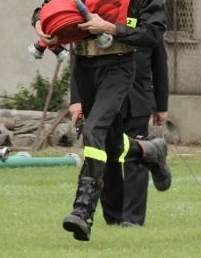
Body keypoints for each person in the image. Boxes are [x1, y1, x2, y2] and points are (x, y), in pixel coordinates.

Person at [32, 0, 171, 242]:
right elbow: (43, 10)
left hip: (119, 68)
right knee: (108, 142)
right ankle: (150, 152)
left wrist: (109, 27)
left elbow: (154, 34)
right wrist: (43, 28)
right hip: (84, 68)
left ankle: (83, 212)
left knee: (93, 132)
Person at [71, 37, 169, 227]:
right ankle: (114, 216)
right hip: (103, 101)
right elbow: (80, 58)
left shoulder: (145, 23)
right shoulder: (98, 21)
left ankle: (133, 218)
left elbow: (159, 66)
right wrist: (76, 100)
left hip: (137, 101)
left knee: (135, 165)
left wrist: (161, 105)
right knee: (106, 158)